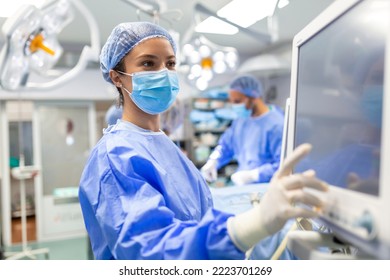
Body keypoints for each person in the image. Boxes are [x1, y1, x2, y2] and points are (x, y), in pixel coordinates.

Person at [78, 21, 328, 260]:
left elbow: (198, 215)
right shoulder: (115, 155)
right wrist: (250, 225)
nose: (163, 73)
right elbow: (151, 252)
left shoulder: (160, 143)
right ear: (117, 77)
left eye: (170, 63)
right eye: (148, 63)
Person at [201, 75, 284, 186]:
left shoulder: (276, 124)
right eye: (232, 101)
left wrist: (254, 175)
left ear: (254, 97)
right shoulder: (241, 121)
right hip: (244, 188)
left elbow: (283, 164)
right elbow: (226, 145)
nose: (234, 106)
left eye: (237, 101)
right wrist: (214, 161)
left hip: (268, 189)